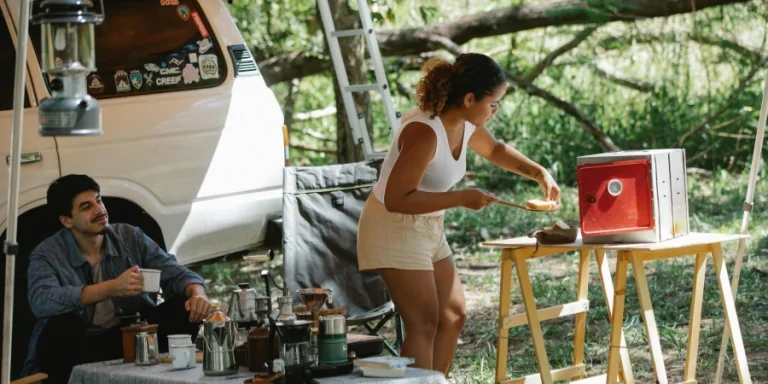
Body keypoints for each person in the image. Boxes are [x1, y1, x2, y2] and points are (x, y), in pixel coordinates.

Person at [356, 53, 562, 376]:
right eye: (492, 104)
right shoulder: (424, 132)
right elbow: (396, 199)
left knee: (453, 314)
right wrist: (460, 198)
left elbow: (495, 150)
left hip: (428, 226)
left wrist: (539, 173)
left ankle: (436, 381)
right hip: (393, 227)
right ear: (469, 99)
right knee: (424, 322)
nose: (495, 111)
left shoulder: (465, 125)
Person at [23, 174, 213, 383]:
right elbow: (41, 301)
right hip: (81, 346)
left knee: (183, 307)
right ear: (67, 220)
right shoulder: (46, 254)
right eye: (86, 207)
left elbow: (176, 272)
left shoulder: (129, 235)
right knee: (60, 326)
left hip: (131, 338)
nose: (99, 210)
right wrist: (112, 288)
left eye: (99, 200)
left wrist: (198, 294)